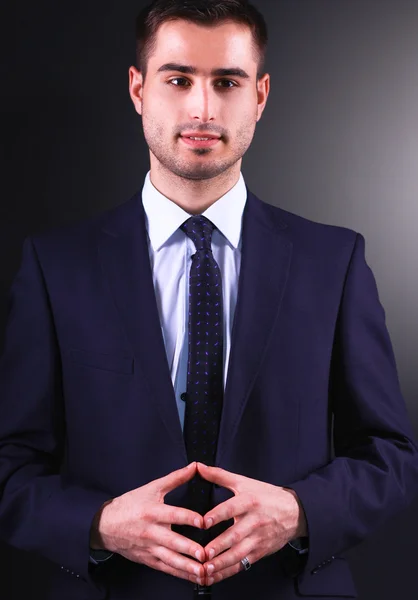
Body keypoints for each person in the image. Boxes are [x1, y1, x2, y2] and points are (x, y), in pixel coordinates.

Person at [0, 1, 418, 599]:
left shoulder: (336, 261)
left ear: (261, 95)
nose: (202, 108)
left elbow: (391, 455)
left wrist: (300, 511)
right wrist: (97, 525)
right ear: (138, 88)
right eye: (178, 80)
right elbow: (10, 464)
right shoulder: (55, 266)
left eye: (227, 82)